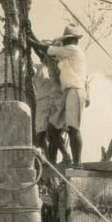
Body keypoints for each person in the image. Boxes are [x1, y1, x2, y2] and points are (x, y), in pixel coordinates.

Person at [29, 25, 90, 167]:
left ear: (73, 40)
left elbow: (47, 49)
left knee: (73, 128)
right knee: (52, 128)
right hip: (68, 92)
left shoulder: (73, 50)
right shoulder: (66, 54)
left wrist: (31, 41)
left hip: (75, 90)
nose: (65, 43)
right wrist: (30, 33)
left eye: (67, 40)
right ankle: (67, 157)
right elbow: (45, 52)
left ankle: (77, 163)